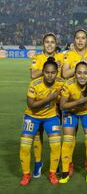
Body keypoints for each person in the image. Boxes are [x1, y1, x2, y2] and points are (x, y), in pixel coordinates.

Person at [19, 57, 64, 186]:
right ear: (43, 71)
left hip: (51, 117)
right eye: (47, 72)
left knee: (56, 144)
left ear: (57, 72)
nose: (50, 75)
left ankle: (52, 173)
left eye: (53, 72)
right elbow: (31, 105)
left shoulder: (61, 83)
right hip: (32, 116)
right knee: (25, 145)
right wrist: (50, 98)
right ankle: (26, 175)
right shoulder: (34, 84)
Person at [59, 62, 87, 183]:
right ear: (74, 74)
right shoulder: (68, 84)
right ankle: (65, 172)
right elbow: (62, 106)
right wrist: (80, 101)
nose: (82, 76)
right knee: (67, 140)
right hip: (70, 111)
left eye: (85, 73)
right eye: (79, 73)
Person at [29, 33, 64, 178]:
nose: (50, 44)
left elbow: (66, 75)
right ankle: (38, 162)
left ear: (56, 44)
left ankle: (54, 165)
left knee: (55, 136)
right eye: (47, 42)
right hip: (40, 99)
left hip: (57, 103)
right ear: (43, 44)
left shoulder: (62, 57)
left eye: (52, 42)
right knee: (38, 134)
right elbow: (33, 75)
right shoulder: (37, 58)